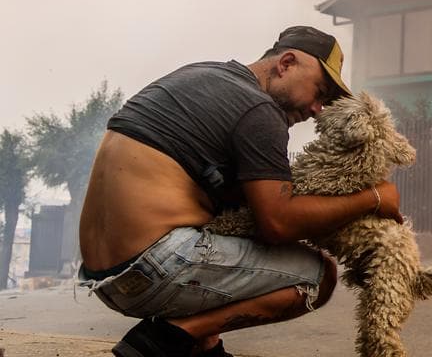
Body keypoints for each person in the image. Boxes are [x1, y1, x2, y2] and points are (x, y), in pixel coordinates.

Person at [78, 26, 403, 357]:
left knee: (226, 221)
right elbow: (278, 224)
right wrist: (373, 199)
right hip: (154, 268)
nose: (317, 109)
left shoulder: (200, 75)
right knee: (319, 277)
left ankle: (206, 346)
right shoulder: (259, 110)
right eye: (319, 92)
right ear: (286, 63)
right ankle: (170, 337)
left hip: (104, 279)